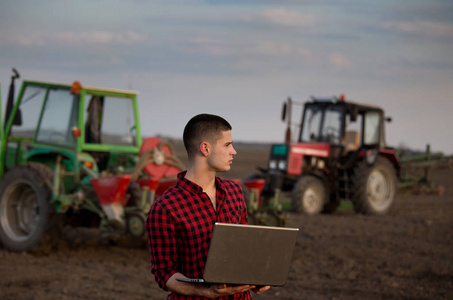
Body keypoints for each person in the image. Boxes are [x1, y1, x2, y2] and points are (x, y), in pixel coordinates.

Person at [146, 113, 270, 299]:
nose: (233, 151)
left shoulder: (235, 192)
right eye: (227, 144)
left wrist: (256, 277)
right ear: (205, 148)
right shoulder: (165, 209)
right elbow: (165, 273)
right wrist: (205, 292)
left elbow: (243, 250)